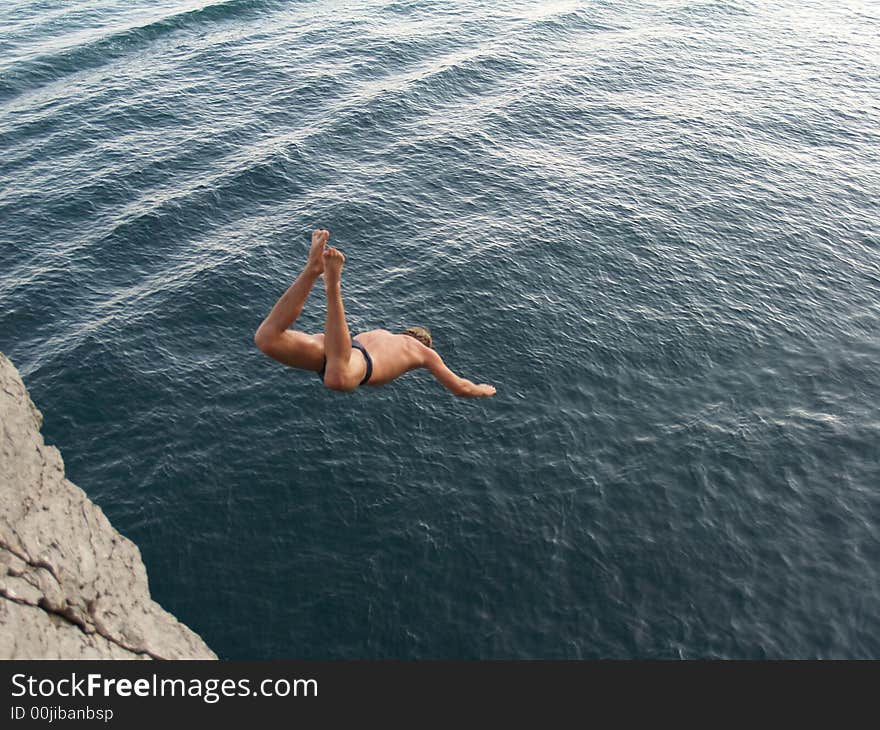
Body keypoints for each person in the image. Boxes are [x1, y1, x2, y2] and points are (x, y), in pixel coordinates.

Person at [254, 229, 496, 397]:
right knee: (337, 378)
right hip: (354, 361)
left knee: (266, 338)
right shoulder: (423, 352)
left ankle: (311, 271)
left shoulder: (382, 333)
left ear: (407, 331)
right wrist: (482, 389)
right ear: (424, 342)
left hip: (339, 347)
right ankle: (333, 283)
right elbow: (460, 388)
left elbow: (344, 344)